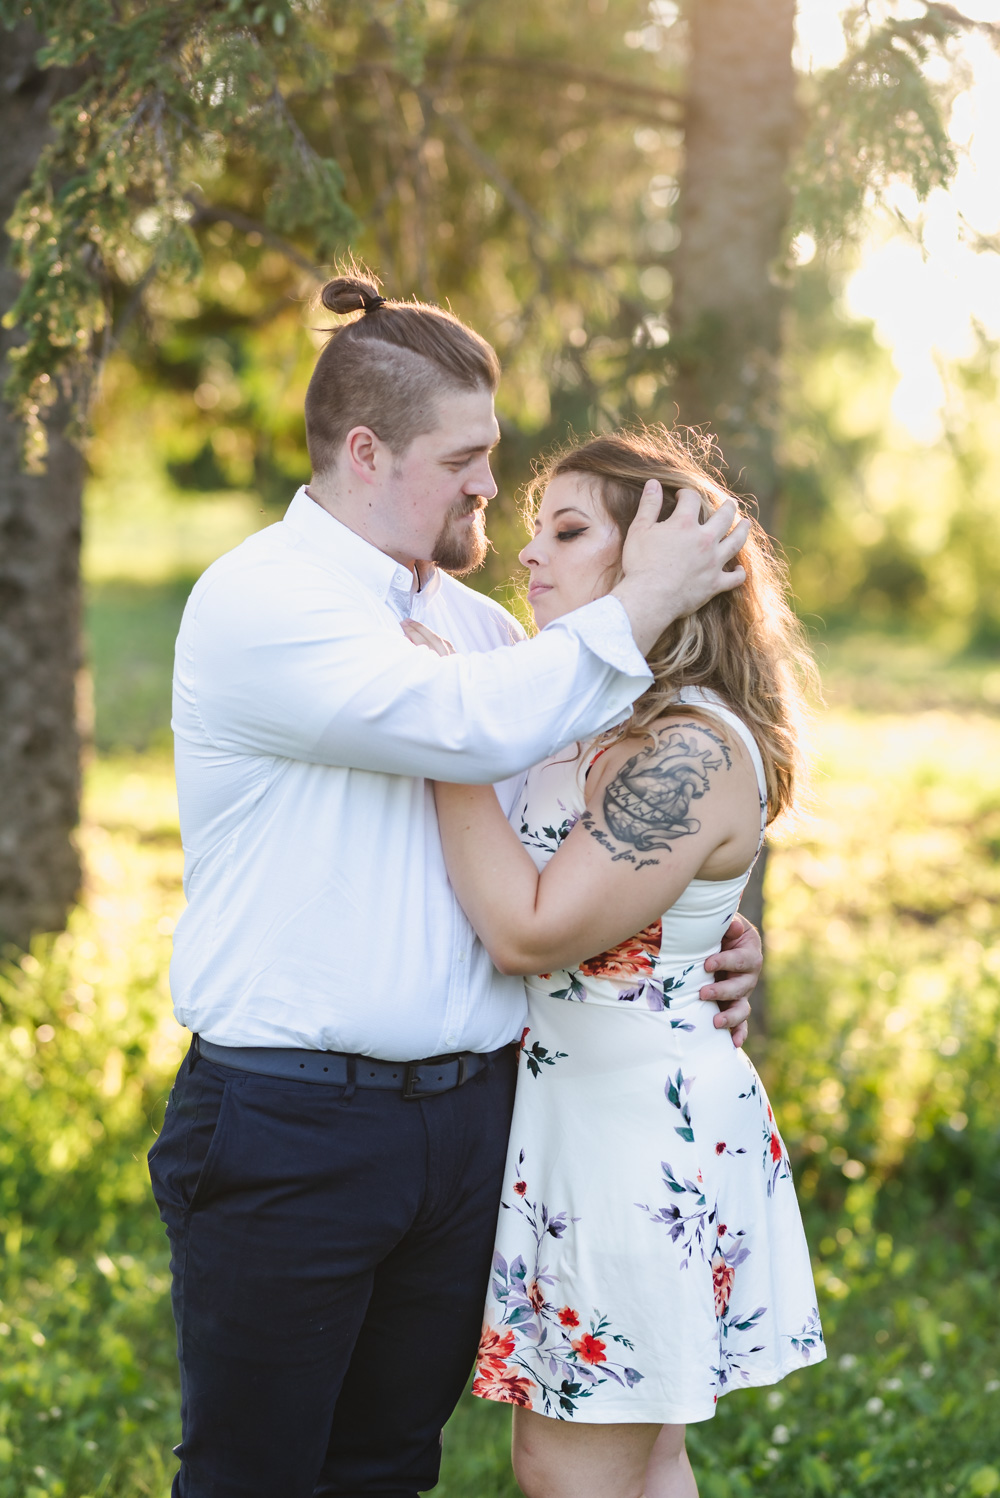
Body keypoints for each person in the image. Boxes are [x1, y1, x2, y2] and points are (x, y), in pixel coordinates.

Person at [147, 271, 764, 1498]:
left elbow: (574, 817)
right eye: (466, 456)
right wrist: (645, 593)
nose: (492, 485)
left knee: (386, 1468)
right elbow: (466, 732)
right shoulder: (264, 600)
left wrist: (697, 940)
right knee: (254, 1475)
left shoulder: (480, 632)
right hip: (292, 1122)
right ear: (366, 452)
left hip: (471, 1123)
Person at [412, 428, 826, 1498]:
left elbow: (532, 929)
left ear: (663, 563)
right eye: (531, 530)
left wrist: (439, 733)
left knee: (568, 1464)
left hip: (636, 1147)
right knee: (644, 1456)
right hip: (574, 1130)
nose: (530, 556)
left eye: (569, 529)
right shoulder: (580, 714)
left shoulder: (687, 747)